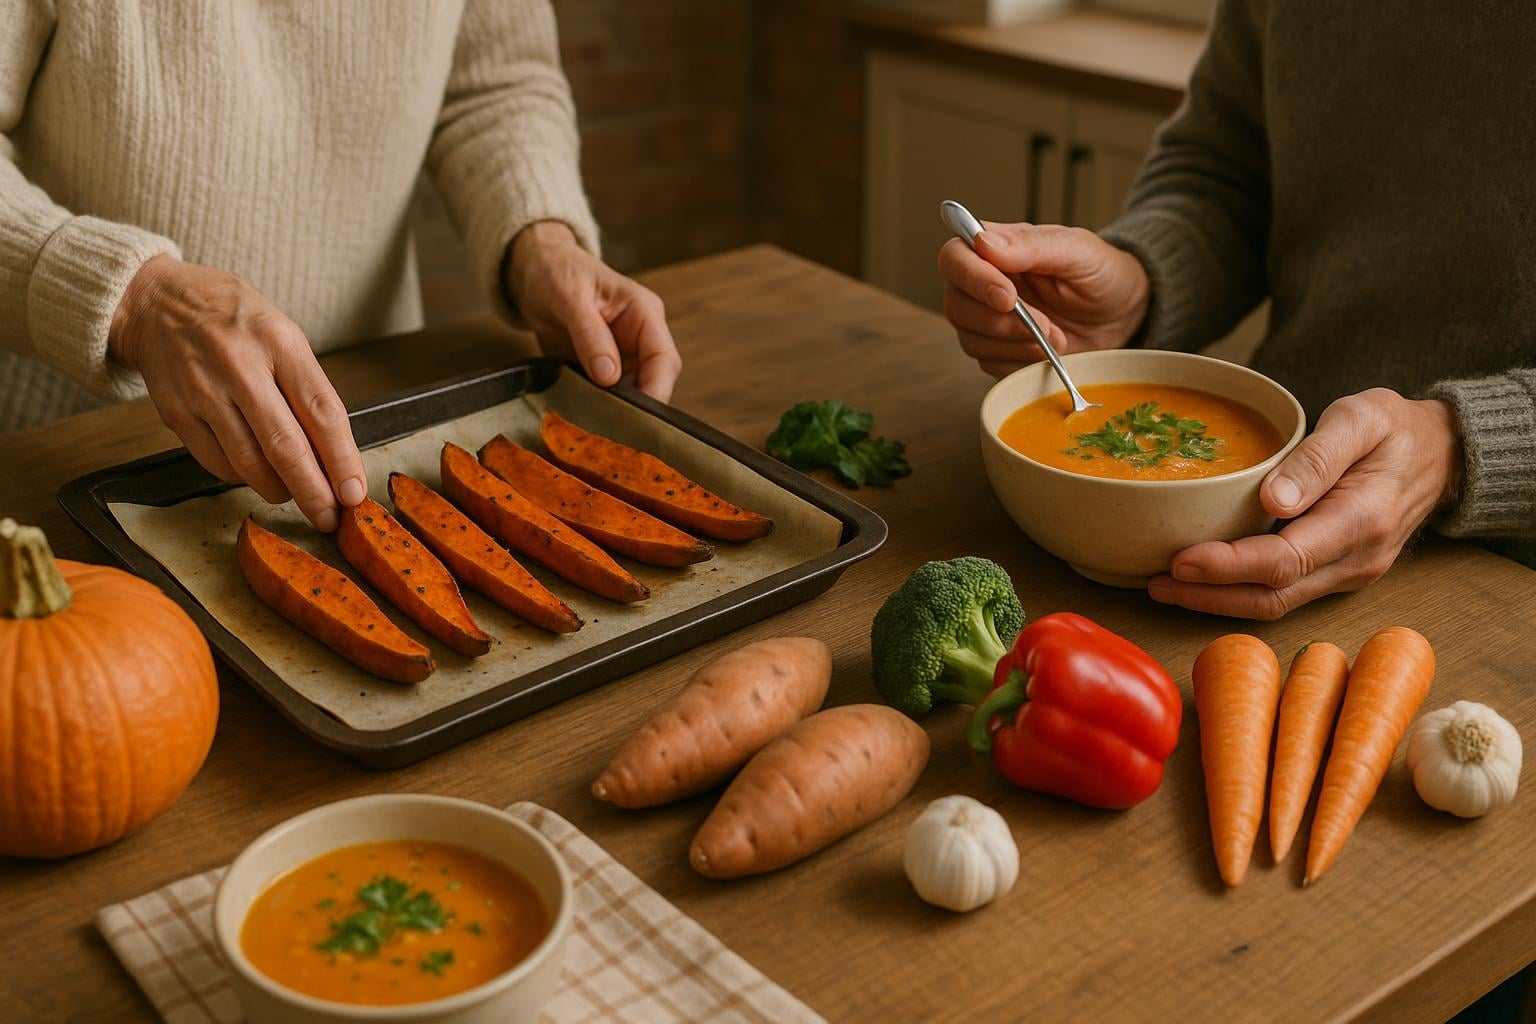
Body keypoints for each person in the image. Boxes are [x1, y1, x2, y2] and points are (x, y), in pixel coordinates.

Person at [938, 0, 1535, 620]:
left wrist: (1456, 446)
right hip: (1247, 509)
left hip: (1506, 582)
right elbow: (1228, 168)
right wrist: (1143, 284)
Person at [0, 1, 680, 533]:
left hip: (374, 411)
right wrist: (136, 301)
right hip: (74, 450)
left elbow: (495, 83)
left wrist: (541, 241)